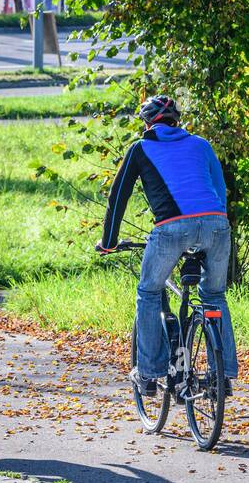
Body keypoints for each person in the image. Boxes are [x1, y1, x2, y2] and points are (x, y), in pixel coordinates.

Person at [95, 94, 237, 394]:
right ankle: (221, 375)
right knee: (214, 296)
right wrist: (215, 225)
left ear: (147, 123)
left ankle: (147, 373)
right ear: (177, 122)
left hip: (171, 228)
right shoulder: (201, 144)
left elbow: (118, 197)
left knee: (149, 291)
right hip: (217, 225)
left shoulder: (140, 148)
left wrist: (108, 242)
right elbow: (220, 191)